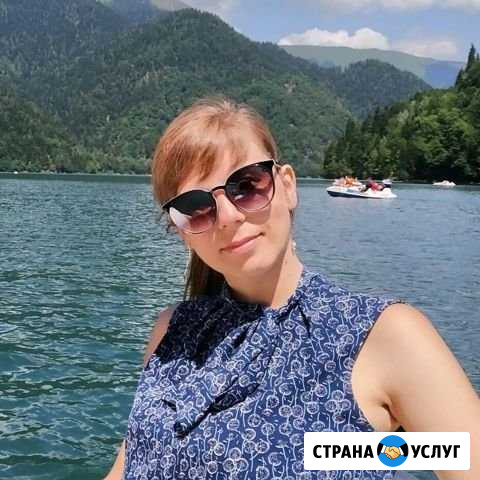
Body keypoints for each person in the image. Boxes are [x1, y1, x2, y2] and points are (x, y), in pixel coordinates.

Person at [104, 97, 480, 480]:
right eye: (196, 207)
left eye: (246, 186)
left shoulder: (380, 336)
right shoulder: (173, 331)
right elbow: (129, 465)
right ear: (183, 231)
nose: (228, 217)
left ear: (286, 186)